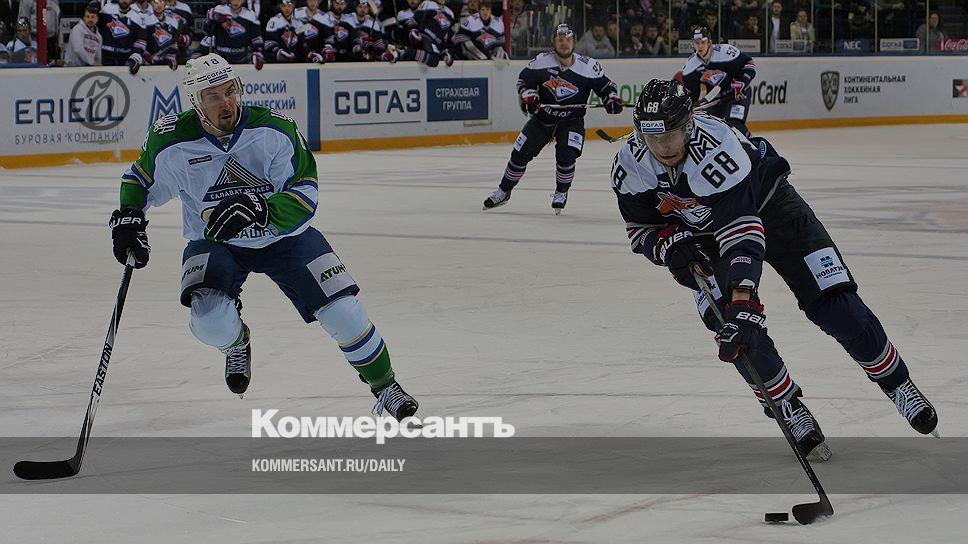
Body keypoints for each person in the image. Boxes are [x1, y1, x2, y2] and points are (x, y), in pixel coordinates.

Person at [609, 79, 939, 458]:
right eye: (652, 138)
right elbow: (641, 228)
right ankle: (787, 406)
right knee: (730, 328)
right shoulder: (630, 164)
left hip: (774, 210)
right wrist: (668, 244)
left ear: (689, 126)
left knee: (835, 303)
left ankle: (897, 383)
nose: (662, 147)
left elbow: (742, 232)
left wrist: (743, 298)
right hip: (707, 232)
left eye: (670, 136)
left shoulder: (717, 147)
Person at [110, 53, 419, 421]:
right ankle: (236, 342)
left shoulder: (274, 129)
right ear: (195, 101)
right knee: (209, 322)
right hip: (216, 242)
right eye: (213, 96)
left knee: (344, 313)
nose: (226, 103)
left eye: (230, 91)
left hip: (285, 238)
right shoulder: (170, 139)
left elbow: (305, 191)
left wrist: (263, 209)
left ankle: (386, 386)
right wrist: (129, 218)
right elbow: (139, 180)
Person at [482, 24, 623, 214]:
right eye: (560, 39)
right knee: (519, 155)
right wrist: (529, 95)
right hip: (543, 120)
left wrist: (611, 98)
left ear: (574, 41)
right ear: (554, 42)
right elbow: (523, 82)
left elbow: (606, 87)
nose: (564, 43)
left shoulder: (588, 66)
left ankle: (561, 192)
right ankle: (503, 191)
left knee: (567, 156)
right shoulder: (541, 62)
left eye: (568, 39)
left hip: (572, 121)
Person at [679, 26, 756, 137]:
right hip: (716, 99)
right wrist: (687, 106)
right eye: (696, 43)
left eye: (703, 42)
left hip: (738, 94)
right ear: (692, 44)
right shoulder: (691, 66)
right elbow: (692, 94)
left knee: (735, 125)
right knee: (711, 129)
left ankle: (754, 144)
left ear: (709, 42)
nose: (700, 46)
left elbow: (749, 63)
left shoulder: (725, 52)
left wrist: (743, 82)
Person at [392, 0, 456, 67]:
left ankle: (404, 52)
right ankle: (410, 43)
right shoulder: (428, 3)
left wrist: (442, 49)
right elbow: (416, 19)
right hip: (426, 35)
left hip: (433, 40)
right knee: (402, 32)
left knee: (434, 60)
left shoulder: (449, 13)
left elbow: (445, 35)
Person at [202, 0, 263, 68]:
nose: (236, 2)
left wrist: (257, 52)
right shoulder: (219, 10)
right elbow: (208, 32)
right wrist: (209, 21)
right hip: (220, 57)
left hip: (242, 58)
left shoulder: (250, 14)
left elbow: (255, 37)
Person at [127, 0, 183, 73]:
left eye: (161, 2)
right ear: (151, 4)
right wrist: (143, 55)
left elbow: (175, 43)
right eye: (156, 2)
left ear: (165, 4)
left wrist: (169, 56)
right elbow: (140, 41)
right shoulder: (145, 19)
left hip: (165, 61)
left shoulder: (174, 21)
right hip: (148, 61)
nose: (159, 5)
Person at [98, 0, 145, 66]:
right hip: (104, 56)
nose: (124, 0)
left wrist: (135, 55)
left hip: (124, 59)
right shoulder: (107, 9)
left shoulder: (138, 17)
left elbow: (141, 39)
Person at [64, 2, 102, 66]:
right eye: (87, 17)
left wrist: (97, 64)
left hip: (88, 68)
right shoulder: (77, 29)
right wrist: (92, 62)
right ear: (84, 18)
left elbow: (98, 55)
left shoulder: (99, 36)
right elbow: (78, 49)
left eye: (93, 17)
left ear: (97, 19)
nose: (90, 19)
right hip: (72, 67)